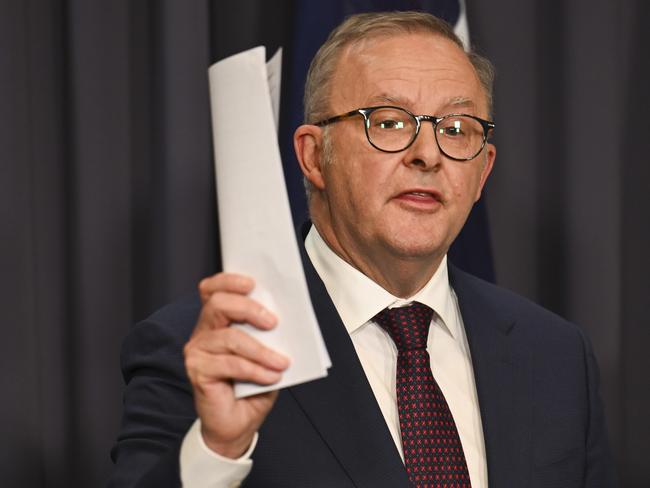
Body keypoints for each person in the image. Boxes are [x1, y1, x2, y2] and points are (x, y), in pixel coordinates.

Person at [109, 11, 616, 488]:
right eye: (390, 122)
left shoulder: (556, 354)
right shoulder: (207, 352)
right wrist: (218, 449)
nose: (427, 154)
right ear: (313, 156)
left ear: (482, 172)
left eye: (456, 130)